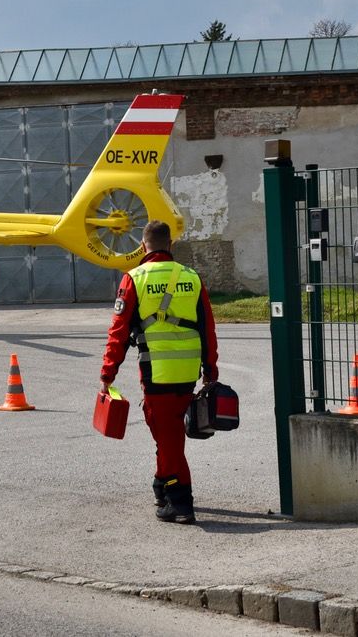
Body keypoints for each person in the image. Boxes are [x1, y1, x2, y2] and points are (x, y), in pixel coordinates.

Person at [100, 219, 219, 524]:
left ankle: (181, 502)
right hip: (188, 372)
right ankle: (161, 487)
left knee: (169, 440)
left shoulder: (134, 278)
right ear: (171, 245)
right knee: (167, 435)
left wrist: (107, 375)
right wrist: (210, 370)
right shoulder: (192, 278)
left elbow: (118, 332)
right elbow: (207, 326)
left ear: (143, 245)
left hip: (157, 373)